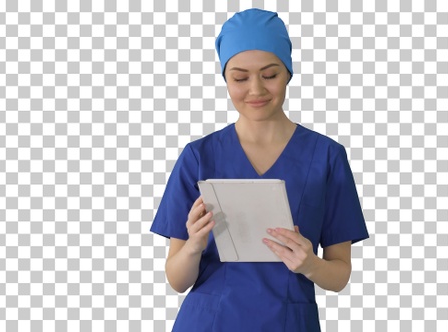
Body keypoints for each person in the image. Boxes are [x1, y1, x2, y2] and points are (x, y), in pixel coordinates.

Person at [151, 8, 369, 332]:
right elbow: (176, 280)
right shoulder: (199, 157)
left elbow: (339, 275)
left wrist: (310, 264)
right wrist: (194, 245)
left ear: (289, 72)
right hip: (208, 322)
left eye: (270, 75)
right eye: (240, 78)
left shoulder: (326, 157)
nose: (256, 90)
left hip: (288, 322)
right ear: (225, 78)